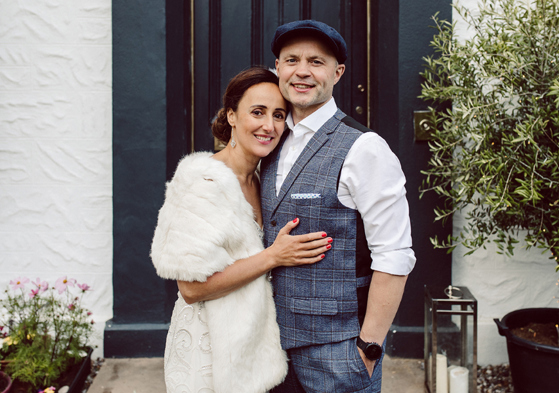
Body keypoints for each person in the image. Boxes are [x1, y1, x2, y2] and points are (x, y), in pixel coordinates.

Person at [150, 66, 332, 393]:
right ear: (231, 116)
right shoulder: (203, 181)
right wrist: (274, 257)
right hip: (209, 355)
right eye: (257, 112)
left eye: (279, 115)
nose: (269, 125)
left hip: (254, 352)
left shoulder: (262, 178)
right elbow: (191, 289)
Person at [260, 20, 417, 393]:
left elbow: (394, 254)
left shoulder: (365, 148)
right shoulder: (270, 141)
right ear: (278, 68)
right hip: (268, 350)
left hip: (338, 355)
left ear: (337, 72)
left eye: (316, 61)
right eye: (291, 59)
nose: (302, 71)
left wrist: (368, 349)